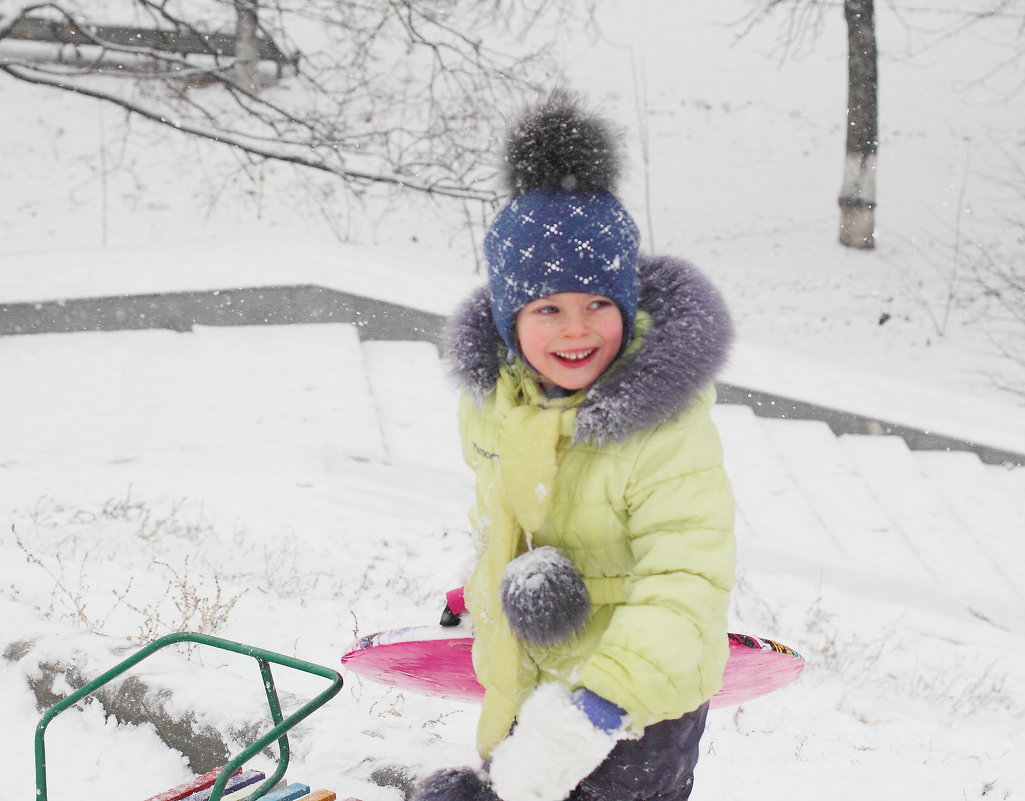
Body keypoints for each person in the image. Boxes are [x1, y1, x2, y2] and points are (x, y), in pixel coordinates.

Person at [415, 91, 736, 801]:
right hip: (531, 680)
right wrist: (486, 584)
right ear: (507, 320)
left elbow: (688, 580)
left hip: (635, 714)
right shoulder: (502, 407)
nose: (575, 330)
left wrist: (595, 709)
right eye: (547, 308)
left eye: (598, 304)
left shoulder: (663, 429)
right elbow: (501, 519)